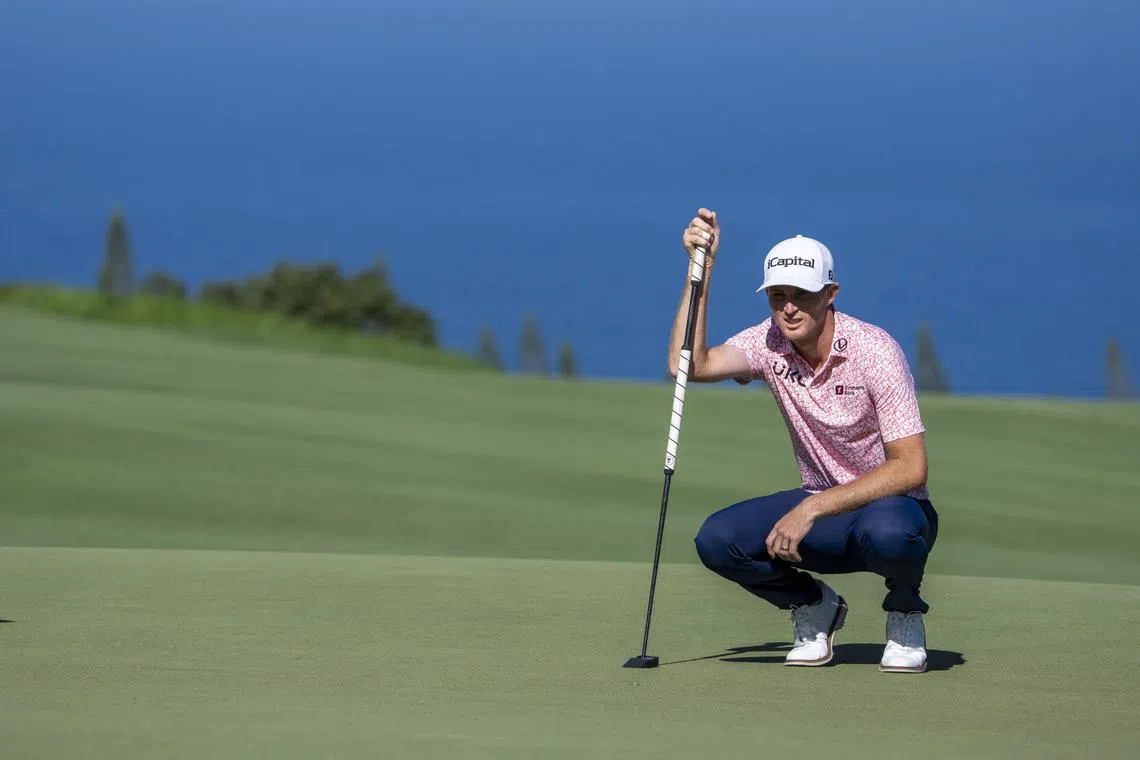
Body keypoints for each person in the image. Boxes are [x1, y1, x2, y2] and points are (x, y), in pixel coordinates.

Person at [669, 208, 939, 673]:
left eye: (802, 296)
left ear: (830, 295)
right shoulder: (768, 343)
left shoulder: (876, 351)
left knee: (891, 534)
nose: (788, 308)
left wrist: (810, 508)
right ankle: (815, 606)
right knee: (717, 540)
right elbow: (688, 366)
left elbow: (910, 467)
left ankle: (904, 612)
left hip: (892, 509)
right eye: (777, 297)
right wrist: (702, 271)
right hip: (823, 512)